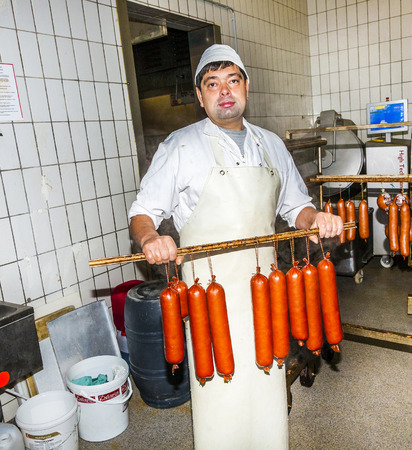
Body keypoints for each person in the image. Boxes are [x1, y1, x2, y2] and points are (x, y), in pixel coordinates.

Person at [129, 44, 343, 449]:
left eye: (233, 80)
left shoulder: (270, 144)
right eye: (213, 84)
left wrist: (315, 219)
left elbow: (296, 205)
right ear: (199, 95)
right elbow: (142, 212)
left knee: (266, 384)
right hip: (210, 295)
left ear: (246, 86)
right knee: (218, 392)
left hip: (266, 285)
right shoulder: (181, 145)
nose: (224, 91)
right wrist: (150, 237)